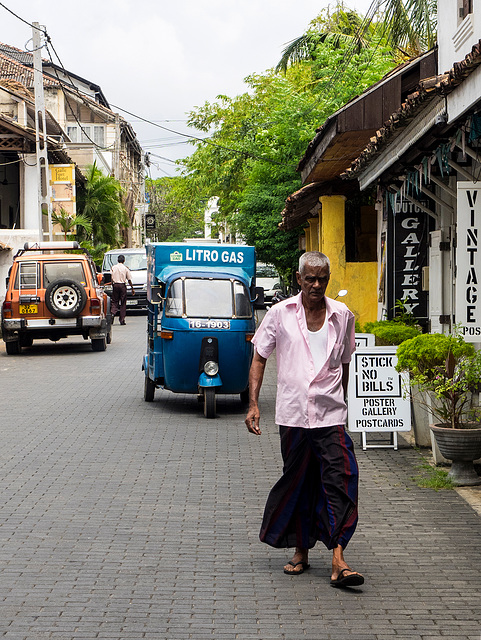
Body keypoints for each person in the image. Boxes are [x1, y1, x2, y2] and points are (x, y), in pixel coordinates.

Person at [245, 251, 364, 588]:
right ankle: (301, 550)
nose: (316, 284)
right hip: (293, 414)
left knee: (342, 478)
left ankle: (339, 559)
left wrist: (344, 402)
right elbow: (259, 357)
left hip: (330, 415)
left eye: (322, 278)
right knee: (299, 479)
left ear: (328, 279)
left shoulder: (342, 316)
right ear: (298, 279)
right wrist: (253, 404)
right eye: (309, 278)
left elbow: (344, 364)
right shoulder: (280, 314)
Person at [110, 254, 135, 325]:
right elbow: (129, 279)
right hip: (122, 286)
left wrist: (113, 285)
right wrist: (132, 288)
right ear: (124, 261)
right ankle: (122, 320)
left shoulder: (113, 267)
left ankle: (113, 313)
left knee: (114, 301)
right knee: (123, 303)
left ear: (117, 260)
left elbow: (111, 278)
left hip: (115, 285)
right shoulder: (125, 268)